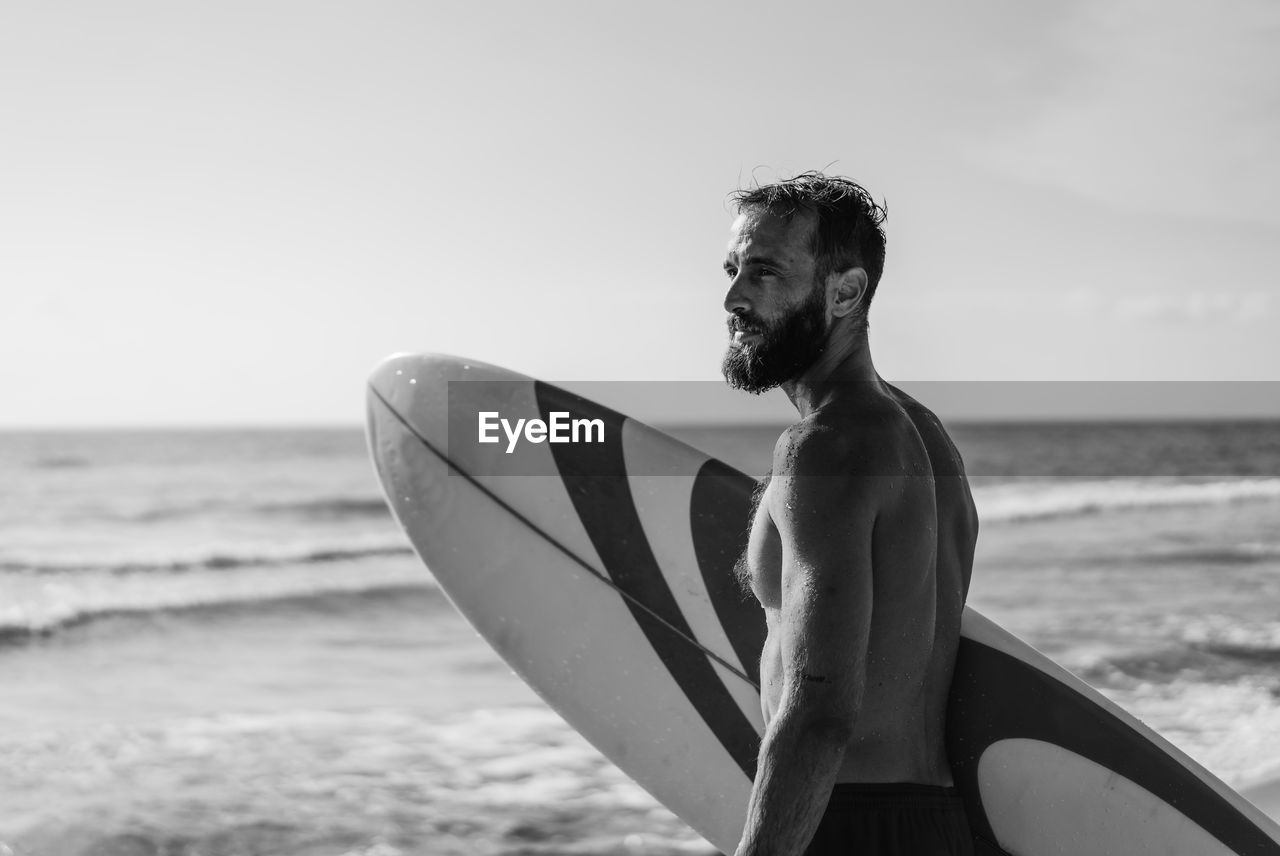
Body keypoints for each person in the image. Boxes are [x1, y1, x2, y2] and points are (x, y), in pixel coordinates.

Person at [721, 172, 978, 856]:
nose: (734, 298)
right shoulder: (926, 439)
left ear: (845, 291)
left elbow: (820, 715)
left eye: (765, 272)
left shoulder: (825, 447)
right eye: (734, 269)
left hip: (846, 824)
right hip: (938, 822)